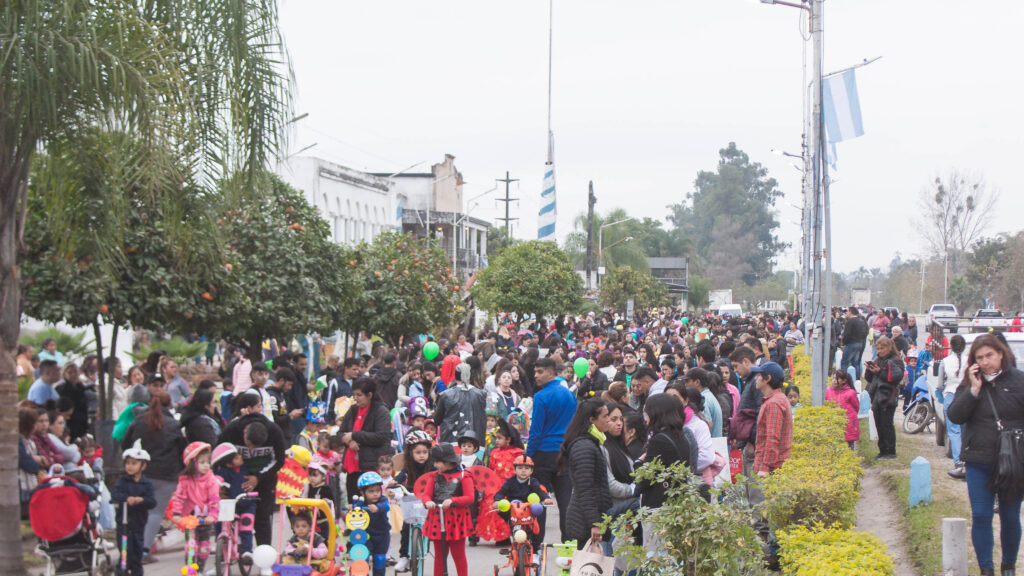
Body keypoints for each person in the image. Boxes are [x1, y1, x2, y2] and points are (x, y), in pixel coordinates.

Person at [948, 333, 1024, 576]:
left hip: (1012, 463)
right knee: (981, 515)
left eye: (990, 355)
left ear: (1002, 354)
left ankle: (1009, 566)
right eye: (980, 357)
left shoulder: (1019, 381)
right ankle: (986, 569)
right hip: (979, 461)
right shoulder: (971, 382)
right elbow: (955, 416)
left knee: (1010, 516)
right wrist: (973, 390)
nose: (986, 361)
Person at [121, 390, 185, 562]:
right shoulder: (173, 424)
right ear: (168, 404)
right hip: (166, 475)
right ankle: (143, 552)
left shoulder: (139, 421)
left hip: (141, 472)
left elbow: (126, 442)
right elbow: (182, 449)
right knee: (155, 513)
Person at [217, 394, 286, 547]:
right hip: (235, 478)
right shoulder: (232, 430)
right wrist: (219, 483)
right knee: (228, 513)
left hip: (264, 479)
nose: (251, 450)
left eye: (256, 447)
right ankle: (227, 548)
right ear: (244, 433)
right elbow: (218, 455)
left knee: (262, 516)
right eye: (248, 445)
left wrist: (258, 478)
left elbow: (279, 460)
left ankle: (264, 551)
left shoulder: (274, 432)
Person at [525, 356, 575, 540]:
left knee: (539, 501)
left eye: (540, 372)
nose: (536, 376)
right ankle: (568, 546)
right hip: (564, 452)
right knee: (565, 500)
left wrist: (528, 457)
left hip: (543, 454)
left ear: (551, 373)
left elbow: (536, 431)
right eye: (535, 372)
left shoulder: (540, 397)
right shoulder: (569, 395)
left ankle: (536, 546)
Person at [634, 393, 690, 551]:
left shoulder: (659, 440)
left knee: (657, 557)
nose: (645, 418)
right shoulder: (682, 438)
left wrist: (638, 462)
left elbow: (646, 477)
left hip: (658, 508)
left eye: (647, 413)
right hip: (677, 507)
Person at [561, 399, 613, 550]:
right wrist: (595, 523)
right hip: (583, 522)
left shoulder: (592, 443)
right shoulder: (584, 447)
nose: (608, 420)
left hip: (588, 519)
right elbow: (586, 489)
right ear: (592, 420)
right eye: (605, 416)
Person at [418, 443, 475, 576]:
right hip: (438, 518)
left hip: (457, 520)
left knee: (458, 554)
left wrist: (453, 500)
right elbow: (426, 494)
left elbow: (470, 497)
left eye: (438, 462)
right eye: (435, 462)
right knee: (440, 555)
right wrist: (428, 501)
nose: (435, 465)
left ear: (449, 462)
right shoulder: (434, 476)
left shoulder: (464, 476)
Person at [337, 377, 392, 503]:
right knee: (354, 505)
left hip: (371, 467)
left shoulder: (381, 411)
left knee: (371, 506)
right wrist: (349, 441)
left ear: (370, 395)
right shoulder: (353, 410)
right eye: (354, 395)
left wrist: (355, 435)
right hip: (352, 467)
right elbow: (340, 433)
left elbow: (381, 436)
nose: (355, 398)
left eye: (359, 395)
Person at [169, 442, 220, 572]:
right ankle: (190, 570)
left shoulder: (211, 479)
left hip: (205, 520)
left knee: (204, 548)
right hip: (190, 521)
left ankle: (200, 570)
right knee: (191, 547)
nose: (206, 465)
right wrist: (176, 514)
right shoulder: (185, 480)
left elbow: (214, 499)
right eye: (202, 462)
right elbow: (179, 498)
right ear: (193, 463)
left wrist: (212, 515)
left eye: (208, 462)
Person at [112, 440, 157, 576]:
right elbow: (115, 494)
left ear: (143, 466)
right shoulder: (122, 482)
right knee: (126, 553)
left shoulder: (146, 484)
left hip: (139, 524)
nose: (130, 466)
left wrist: (141, 500)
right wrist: (126, 499)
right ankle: (122, 572)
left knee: (137, 554)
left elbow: (152, 501)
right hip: (124, 525)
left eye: (134, 463)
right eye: (128, 463)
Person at [491, 455, 553, 551]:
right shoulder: (510, 481)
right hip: (514, 510)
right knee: (504, 513)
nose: (523, 471)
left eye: (527, 468)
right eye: (520, 468)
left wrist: (546, 499)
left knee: (541, 510)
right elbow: (501, 493)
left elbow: (540, 492)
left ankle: (536, 547)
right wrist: (497, 500)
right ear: (515, 470)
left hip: (529, 510)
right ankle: (515, 544)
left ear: (531, 471)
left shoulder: (533, 481)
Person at [393, 430, 433, 572]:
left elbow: (439, 477)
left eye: (424, 452)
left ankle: (424, 547)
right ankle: (404, 556)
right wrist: (393, 482)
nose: (422, 455)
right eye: (418, 452)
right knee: (406, 527)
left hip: (427, 500)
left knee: (429, 526)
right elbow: (399, 477)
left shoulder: (432, 467)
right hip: (411, 498)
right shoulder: (408, 468)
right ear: (410, 453)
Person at [211, 443, 255, 558]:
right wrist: (214, 491)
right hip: (230, 504)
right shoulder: (223, 472)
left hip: (247, 503)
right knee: (221, 525)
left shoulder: (246, 470)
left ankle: (247, 552)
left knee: (247, 526)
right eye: (236, 457)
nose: (240, 457)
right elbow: (216, 482)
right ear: (228, 464)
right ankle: (221, 554)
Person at [865, 337, 904, 460]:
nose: (879, 351)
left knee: (887, 424)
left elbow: (894, 377)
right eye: (878, 348)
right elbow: (870, 379)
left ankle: (890, 451)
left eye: (882, 348)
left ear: (889, 348)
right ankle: (882, 451)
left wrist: (879, 372)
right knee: (879, 424)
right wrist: (870, 370)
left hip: (888, 397)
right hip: (877, 397)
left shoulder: (896, 361)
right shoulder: (878, 360)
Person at [353, 471, 391, 576]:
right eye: (371, 491)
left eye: (378, 490)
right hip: (366, 535)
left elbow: (387, 506)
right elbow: (353, 512)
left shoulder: (382, 500)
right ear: (362, 493)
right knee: (363, 558)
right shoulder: (361, 503)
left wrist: (378, 508)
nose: (375, 494)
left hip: (382, 535)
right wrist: (351, 508)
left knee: (380, 559)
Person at [943, 334, 968, 479]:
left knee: (953, 432)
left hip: (950, 395)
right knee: (965, 430)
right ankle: (966, 461)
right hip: (965, 396)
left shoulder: (945, 361)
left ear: (951, 346)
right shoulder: (969, 361)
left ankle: (958, 462)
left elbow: (940, 383)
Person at [826, 370, 860, 449]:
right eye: (833, 378)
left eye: (837, 378)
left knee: (849, 444)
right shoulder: (828, 391)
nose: (834, 380)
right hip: (833, 421)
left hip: (849, 422)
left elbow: (856, 407)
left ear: (844, 380)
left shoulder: (851, 393)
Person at [840, 307, 867, 379]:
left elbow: (847, 334)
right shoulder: (861, 321)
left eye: (847, 312)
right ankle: (857, 379)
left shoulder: (850, 321)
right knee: (856, 363)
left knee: (844, 363)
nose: (846, 313)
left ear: (851, 312)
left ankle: (843, 379)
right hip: (859, 343)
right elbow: (864, 333)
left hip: (851, 344)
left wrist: (844, 344)